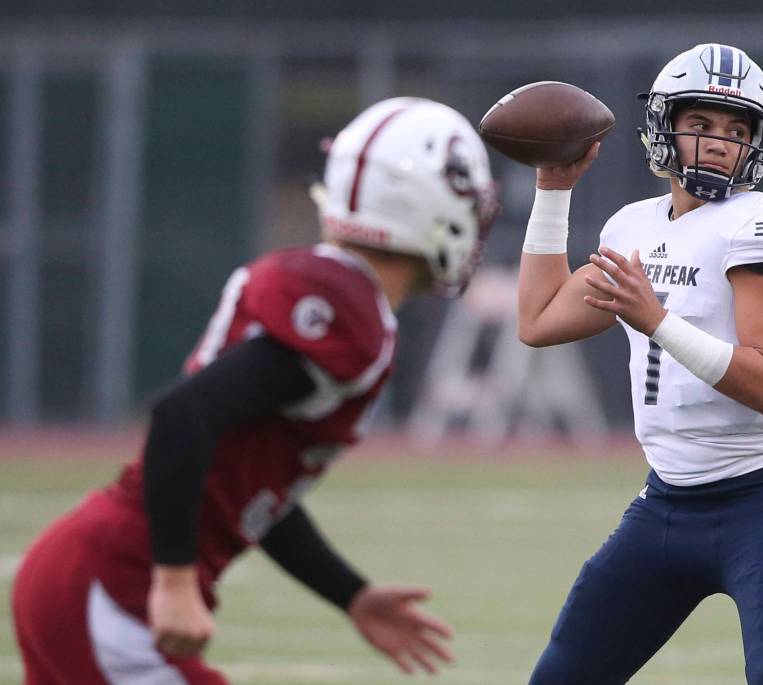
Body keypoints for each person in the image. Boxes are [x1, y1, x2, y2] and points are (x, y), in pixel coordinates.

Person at [12, 97, 498, 684]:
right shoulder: (346, 312)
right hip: (118, 590)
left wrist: (350, 595)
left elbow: (254, 497)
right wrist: (172, 578)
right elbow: (180, 415)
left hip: (88, 579)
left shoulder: (343, 297)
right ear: (425, 204)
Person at [518, 44, 763, 684]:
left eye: (737, 130)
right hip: (666, 503)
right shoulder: (633, 225)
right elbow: (540, 319)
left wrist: (656, 319)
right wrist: (553, 192)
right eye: (703, 124)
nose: (720, 142)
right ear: (665, 127)